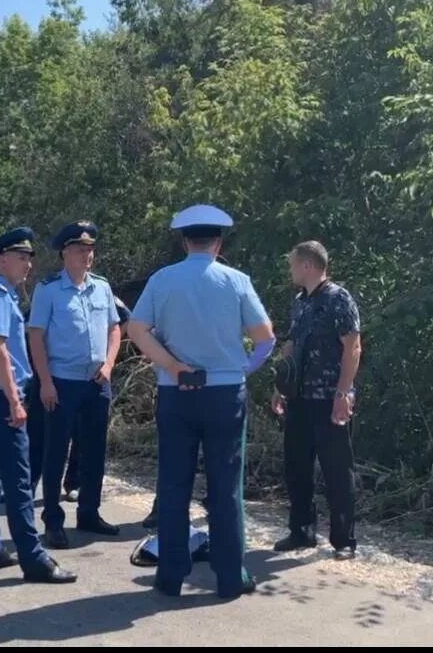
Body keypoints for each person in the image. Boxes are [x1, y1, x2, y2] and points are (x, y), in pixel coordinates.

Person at [127, 204, 275, 599]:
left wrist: (173, 365)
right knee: (226, 487)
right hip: (225, 394)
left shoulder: (162, 280)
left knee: (174, 484)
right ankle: (230, 576)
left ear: (184, 241)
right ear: (218, 243)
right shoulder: (236, 280)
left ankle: (171, 575)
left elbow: (136, 329)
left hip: (176, 390)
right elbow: (266, 337)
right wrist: (242, 369)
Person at [0, 226, 77, 585]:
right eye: (21, 257)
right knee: (17, 478)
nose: (28, 264)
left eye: (30, 257)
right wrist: (15, 399)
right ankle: (33, 558)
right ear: (2, 260)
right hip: (4, 392)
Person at [28, 221, 122, 549]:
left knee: (95, 450)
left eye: (90, 250)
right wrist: (45, 382)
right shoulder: (49, 289)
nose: (87, 256)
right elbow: (36, 337)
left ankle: (89, 512)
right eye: (80, 250)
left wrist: (109, 364)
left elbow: (114, 329)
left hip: (96, 382)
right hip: (62, 382)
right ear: (65, 254)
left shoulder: (101, 287)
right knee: (56, 451)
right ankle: (53, 520)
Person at [270, 241, 361, 558]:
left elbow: (353, 347)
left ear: (307, 265)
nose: (290, 269)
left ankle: (344, 541)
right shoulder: (299, 302)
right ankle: (301, 532)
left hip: (329, 398)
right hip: (299, 399)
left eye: (293, 263)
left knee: (337, 470)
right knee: (296, 468)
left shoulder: (338, 299)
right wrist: (280, 386)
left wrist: (343, 392)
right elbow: (291, 346)